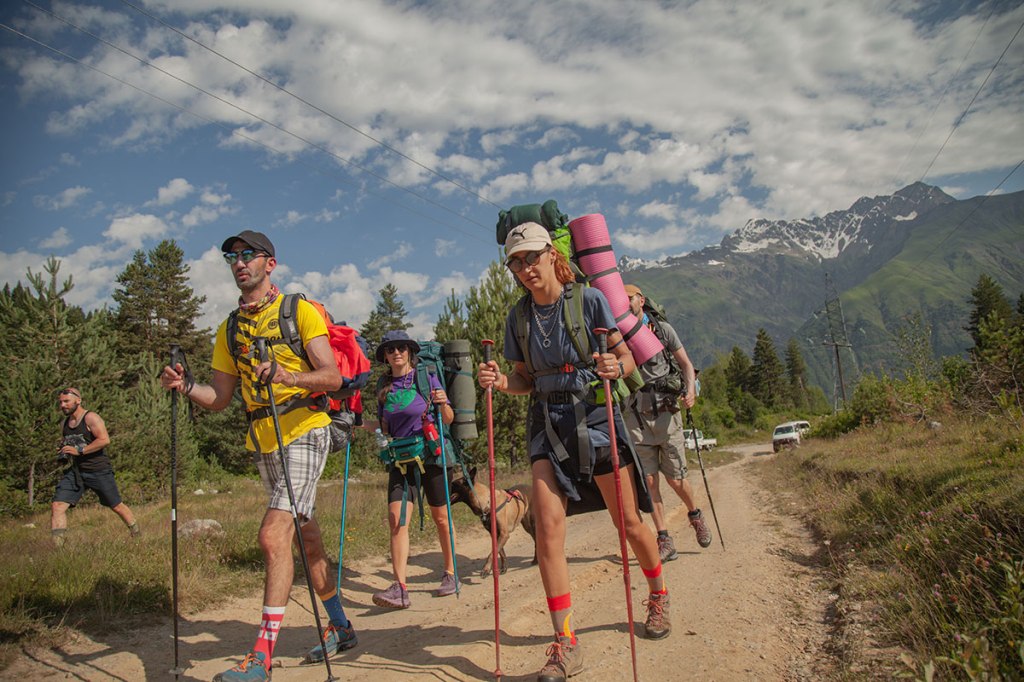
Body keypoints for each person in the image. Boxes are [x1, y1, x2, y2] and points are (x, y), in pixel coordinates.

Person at [478, 222, 671, 682]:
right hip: (547, 424)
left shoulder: (589, 301)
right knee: (547, 532)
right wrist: (502, 382)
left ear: (551, 254)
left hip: (595, 419)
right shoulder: (517, 318)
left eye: (530, 257)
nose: (524, 268)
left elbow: (626, 359)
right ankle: (566, 643)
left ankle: (658, 594)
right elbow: (524, 377)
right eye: (515, 262)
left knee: (628, 524)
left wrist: (613, 364)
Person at [159, 230, 354, 681]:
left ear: (270, 262)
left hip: (306, 429)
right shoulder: (229, 328)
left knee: (272, 535)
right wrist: (185, 387)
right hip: (264, 440)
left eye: (248, 255)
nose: (239, 262)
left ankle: (261, 659)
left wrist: (286, 374)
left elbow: (331, 377)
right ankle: (341, 626)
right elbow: (221, 396)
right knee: (306, 540)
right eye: (232, 256)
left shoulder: (297, 311)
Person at [622, 284, 713, 561]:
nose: (625, 303)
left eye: (630, 298)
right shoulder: (619, 335)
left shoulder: (662, 330)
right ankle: (664, 538)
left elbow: (685, 364)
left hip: (667, 412)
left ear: (642, 300)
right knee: (649, 482)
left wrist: (691, 391)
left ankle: (695, 514)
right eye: (621, 299)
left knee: (675, 479)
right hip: (635, 415)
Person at [372, 330, 458, 608]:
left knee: (441, 518)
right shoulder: (383, 386)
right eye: (390, 349)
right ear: (385, 356)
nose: (396, 353)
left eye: (401, 348)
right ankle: (400, 587)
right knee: (397, 520)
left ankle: (450, 573)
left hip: (431, 453)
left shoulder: (425, 377)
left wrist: (444, 403)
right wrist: (354, 422)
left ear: (410, 351)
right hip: (400, 457)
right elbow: (382, 428)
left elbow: (447, 418)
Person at [50, 387, 139, 547]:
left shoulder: (91, 418)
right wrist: (64, 449)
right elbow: (71, 442)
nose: (63, 405)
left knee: (116, 505)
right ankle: (59, 549)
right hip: (76, 472)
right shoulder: (65, 423)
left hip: (98, 470)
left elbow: (104, 440)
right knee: (57, 505)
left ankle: (136, 534)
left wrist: (80, 450)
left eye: (66, 401)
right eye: (61, 402)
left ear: (78, 400)